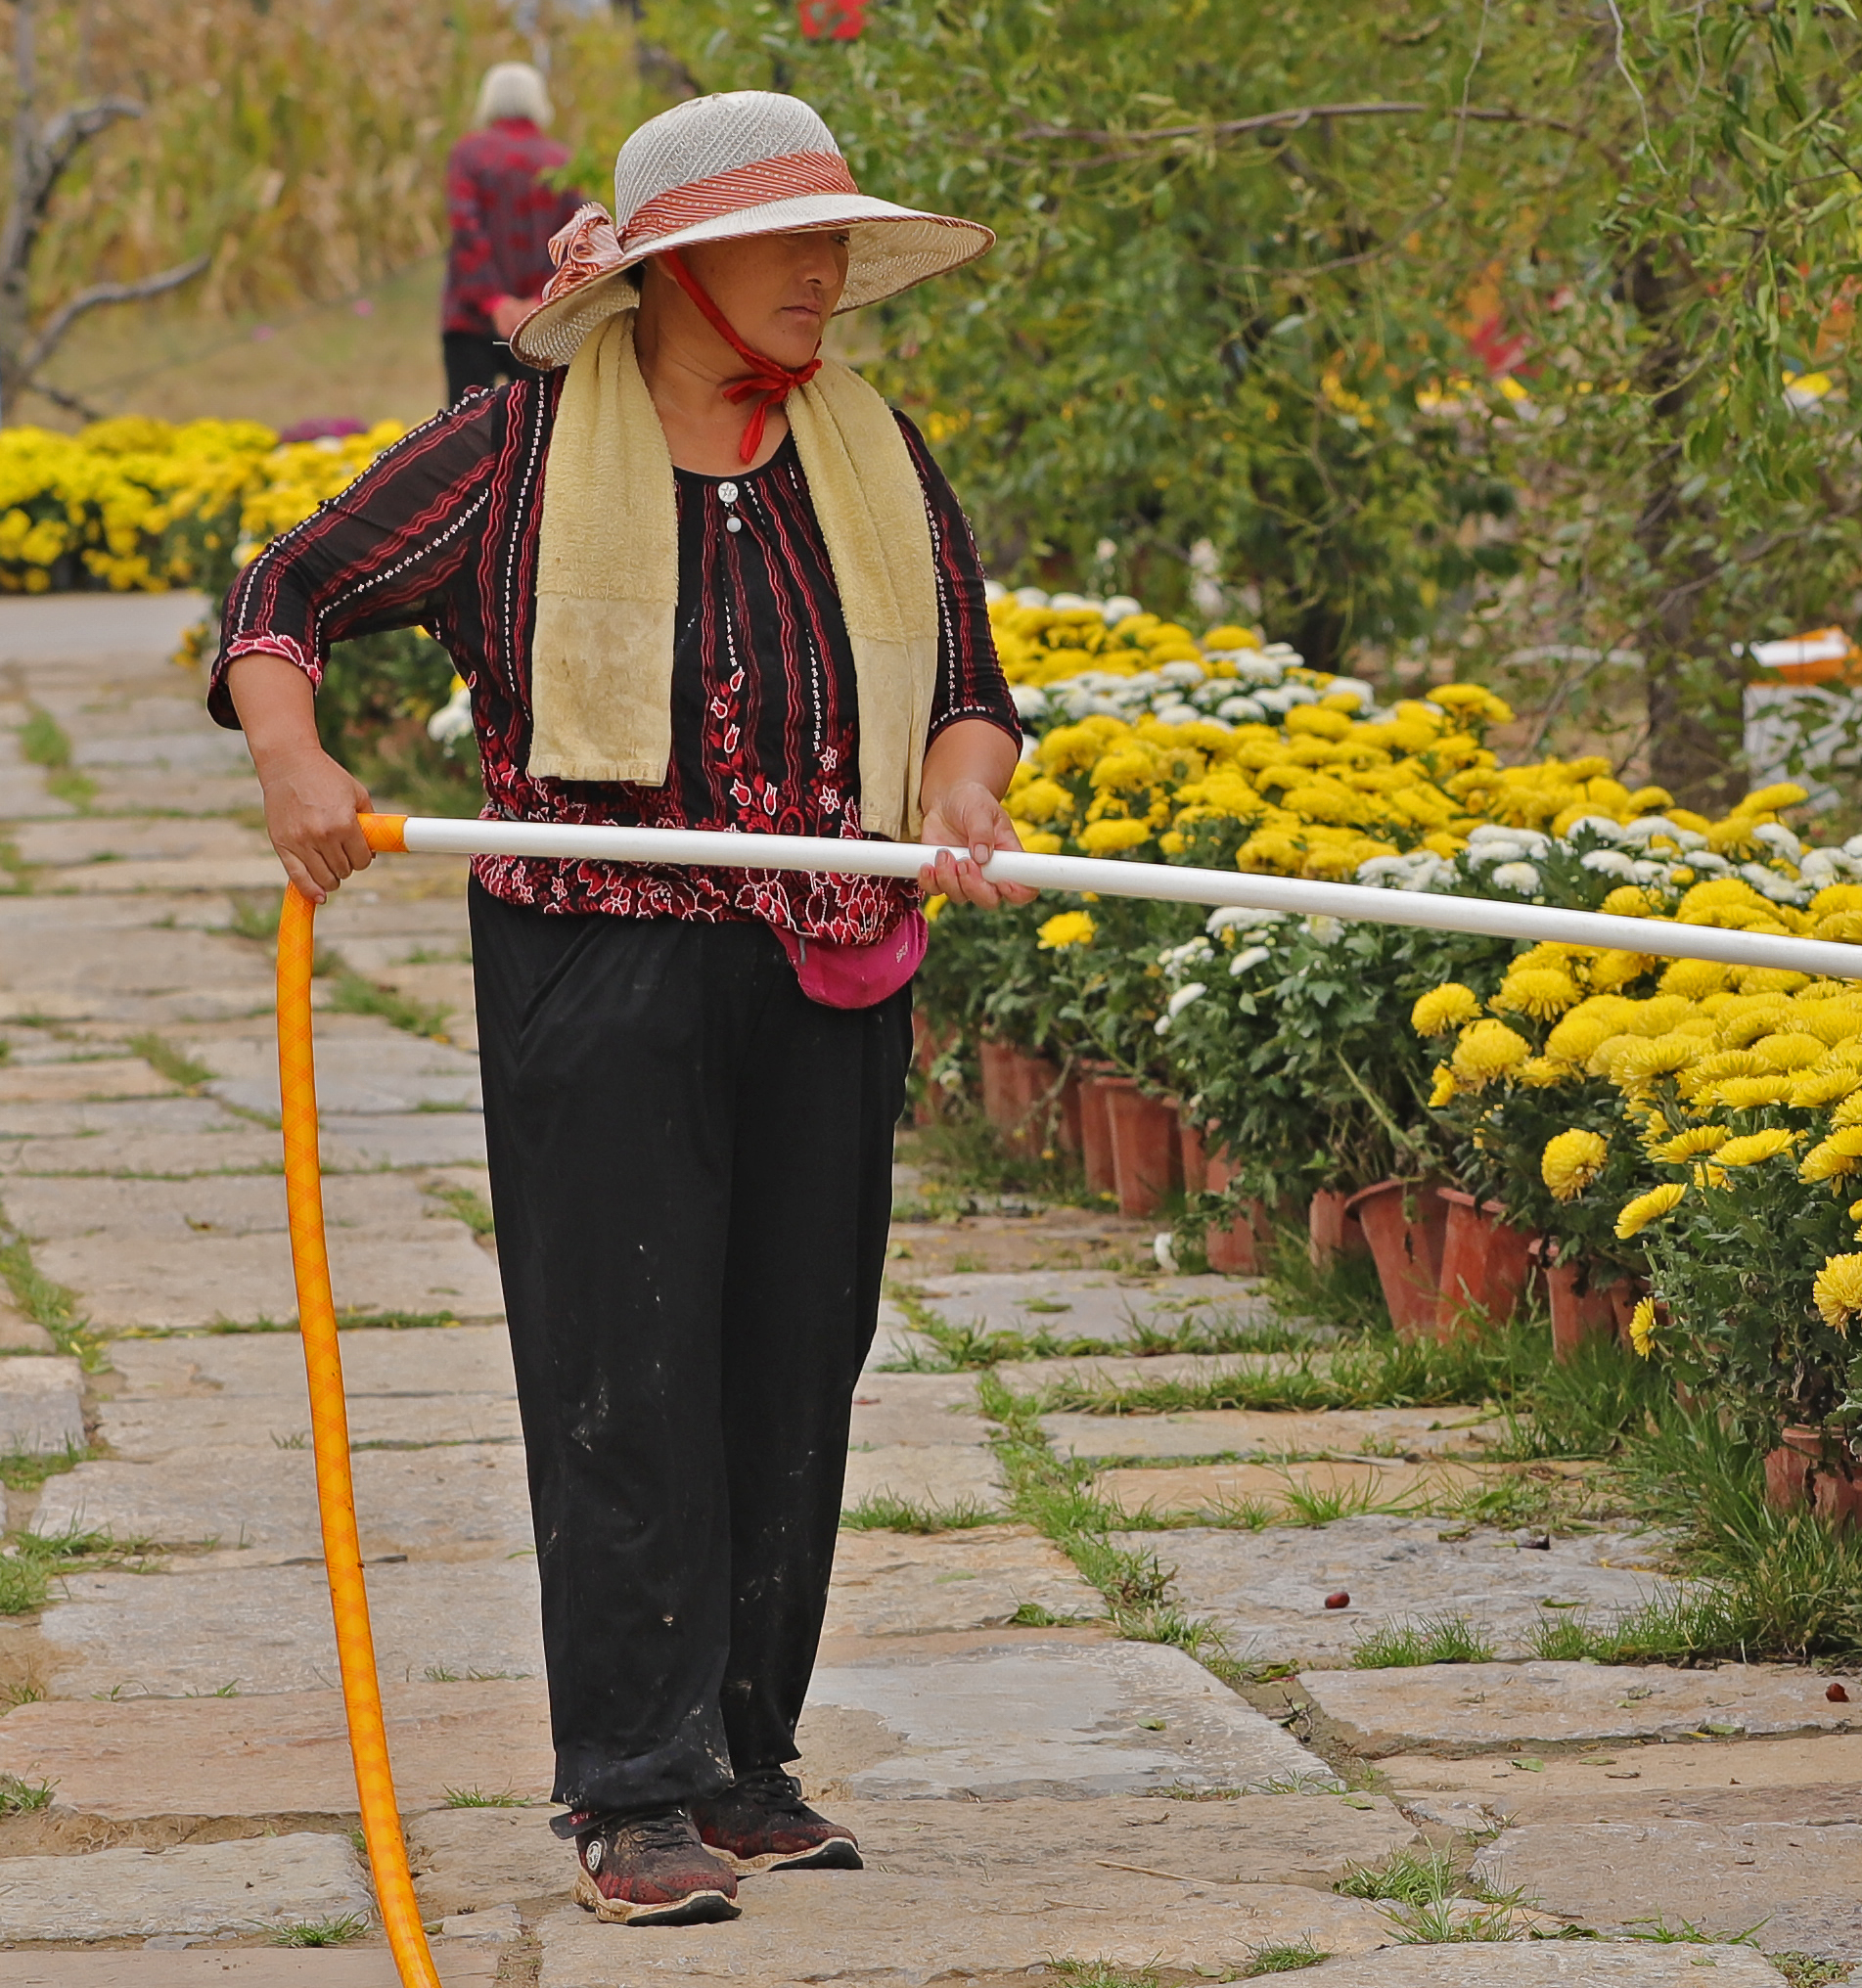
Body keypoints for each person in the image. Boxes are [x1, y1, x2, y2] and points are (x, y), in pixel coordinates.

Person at [212, 91, 1033, 1929]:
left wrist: (961, 791)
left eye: (840, 244)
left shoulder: (871, 452)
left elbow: (972, 684)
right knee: (625, 1367)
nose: (829, 277)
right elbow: (287, 591)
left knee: (794, 1359)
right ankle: (632, 1790)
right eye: (789, 244)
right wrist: (292, 759)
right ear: (672, 271)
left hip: (831, 952)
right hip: (601, 958)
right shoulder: (513, 452)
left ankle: (744, 1761)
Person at [441, 62, 579, 404]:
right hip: (542, 324)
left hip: (471, 319)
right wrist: (537, 301)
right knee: (540, 435)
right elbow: (574, 239)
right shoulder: (561, 161)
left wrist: (495, 302)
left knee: (467, 431)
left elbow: (465, 230)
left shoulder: (468, 155)